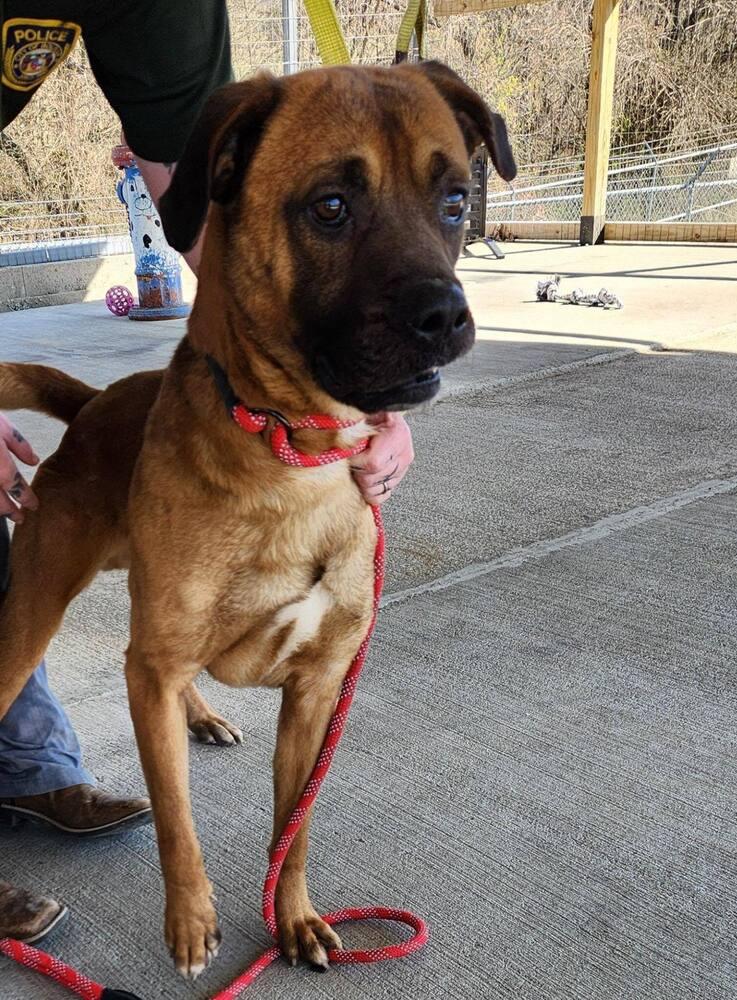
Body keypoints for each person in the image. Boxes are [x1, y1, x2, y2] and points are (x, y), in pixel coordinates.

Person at [0, 0, 414, 943]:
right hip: (100, 477)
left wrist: (375, 392)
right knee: (19, 636)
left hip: (226, 458)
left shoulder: (162, 9)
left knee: (173, 636)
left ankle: (31, 773)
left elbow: (203, 215)